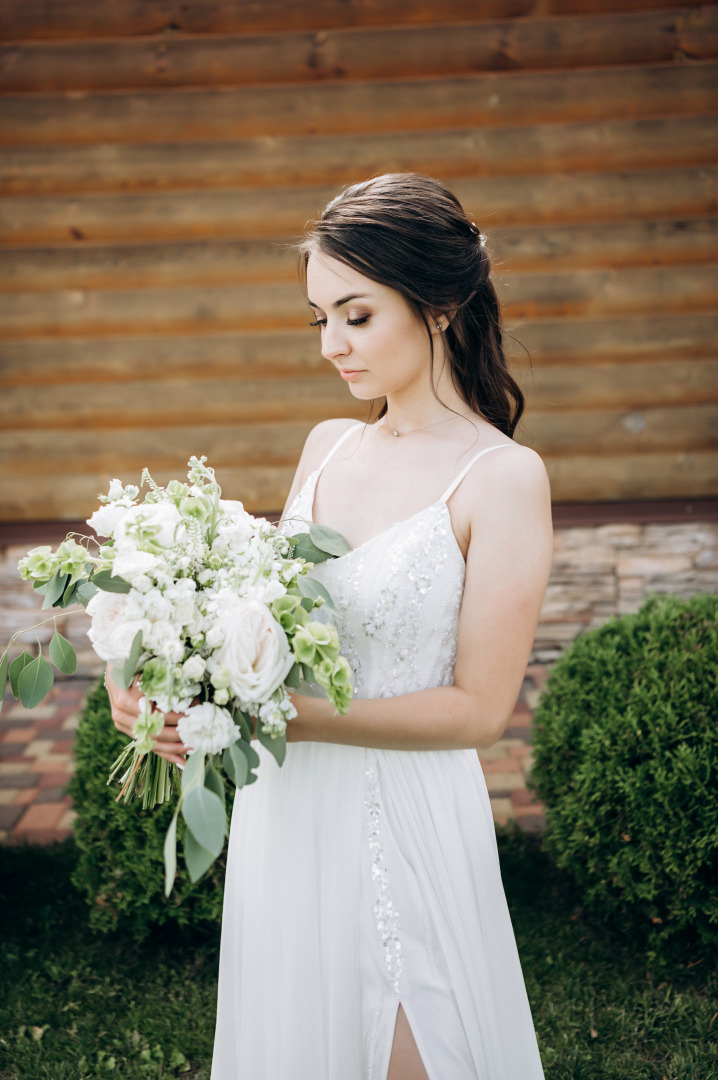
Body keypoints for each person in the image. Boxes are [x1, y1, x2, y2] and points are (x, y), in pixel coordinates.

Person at [108, 173, 553, 1079]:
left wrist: (285, 718)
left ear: (440, 305)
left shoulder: (502, 478)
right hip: (289, 810)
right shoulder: (327, 446)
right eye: (319, 319)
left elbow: (477, 711)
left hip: (409, 813)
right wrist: (177, 690)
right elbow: (262, 624)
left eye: (356, 315)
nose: (332, 347)